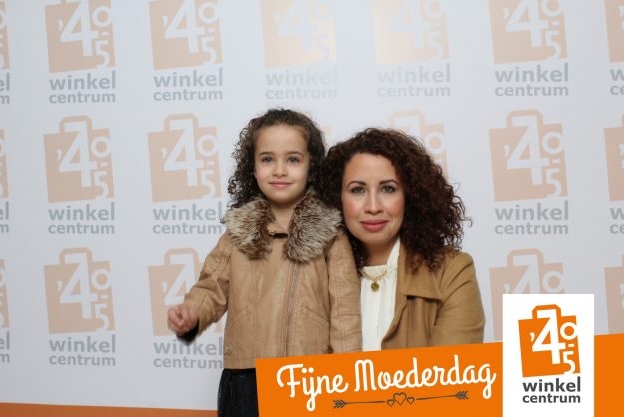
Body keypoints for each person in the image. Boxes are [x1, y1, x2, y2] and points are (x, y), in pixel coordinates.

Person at [167, 109, 362, 417]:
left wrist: (346, 372)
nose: (279, 170)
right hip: (246, 377)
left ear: (311, 167)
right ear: (253, 168)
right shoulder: (237, 232)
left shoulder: (330, 234)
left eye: (293, 159)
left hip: (308, 376)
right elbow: (211, 286)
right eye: (268, 159)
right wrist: (192, 312)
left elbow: (345, 312)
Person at [319, 128, 485, 351]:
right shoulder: (315, 274)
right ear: (336, 197)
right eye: (357, 190)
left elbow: (452, 371)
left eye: (388, 189)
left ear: (410, 196)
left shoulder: (452, 271)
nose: (373, 207)